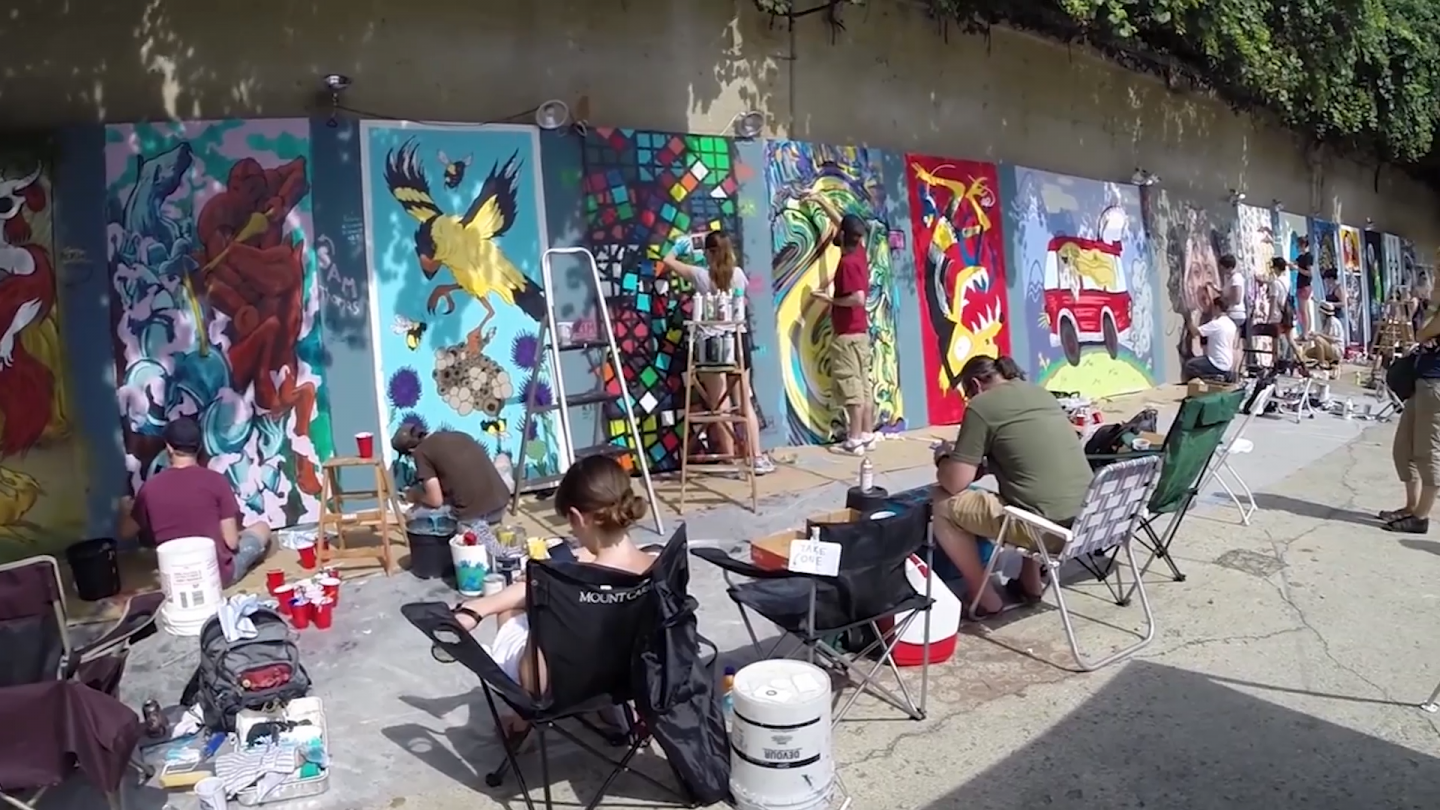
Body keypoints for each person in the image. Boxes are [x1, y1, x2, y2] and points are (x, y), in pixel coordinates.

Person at [444, 455, 657, 736]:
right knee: (537, 593)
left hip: (554, 688)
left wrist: (481, 607)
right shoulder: (659, 567)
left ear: (578, 517)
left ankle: (520, 722)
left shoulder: (564, 582)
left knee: (512, 611)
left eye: (572, 526)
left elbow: (540, 589)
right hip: (631, 677)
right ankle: (611, 709)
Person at [931, 355, 1094, 617]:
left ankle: (985, 599)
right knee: (1030, 491)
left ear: (976, 384)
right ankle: (1030, 584)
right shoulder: (1040, 394)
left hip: (1049, 533)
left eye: (967, 394)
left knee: (942, 502)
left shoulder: (982, 406)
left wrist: (943, 458)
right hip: (1087, 522)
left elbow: (955, 483)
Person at [662, 230, 775, 475]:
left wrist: (681, 247)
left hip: (711, 346)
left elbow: (668, 261)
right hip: (737, 341)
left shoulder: (700, 275)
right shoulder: (739, 275)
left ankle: (729, 459)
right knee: (744, 402)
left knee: (720, 406)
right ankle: (756, 457)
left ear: (708, 253)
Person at [117, 417, 273, 587]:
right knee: (261, 528)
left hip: (177, 580)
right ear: (199, 447)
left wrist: (126, 510)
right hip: (216, 578)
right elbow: (232, 542)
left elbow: (126, 532)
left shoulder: (150, 488)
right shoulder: (216, 481)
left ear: (169, 447)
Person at [808, 206, 875, 454]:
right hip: (861, 334)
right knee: (863, 384)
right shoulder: (860, 252)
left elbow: (858, 298)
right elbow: (844, 223)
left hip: (847, 335)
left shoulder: (847, 263)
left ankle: (854, 440)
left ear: (844, 235)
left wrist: (829, 299)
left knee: (850, 386)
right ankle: (867, 435)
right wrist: (820, 201)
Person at [1385, 290, 1440, 534]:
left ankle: (1421, 516)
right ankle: (1411, 506)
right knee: (1403, 449)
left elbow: (1422, 332)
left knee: (1428, 453)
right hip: (1422, 382)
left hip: (1435, 385)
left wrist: (1434, 303)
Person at [391, 424, 510, 530]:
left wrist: (415, 496)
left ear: (411, 450)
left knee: (413, 514)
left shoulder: (421, 452)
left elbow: (435, 500)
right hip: (501, 506)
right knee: (501, 461)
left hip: (473, 518)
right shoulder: (460, 435)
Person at [1182, 291, 1238, 382]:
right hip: (1227, 363)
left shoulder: (1217, 324)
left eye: (1213, 307)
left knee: (1189, 365)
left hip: (1216, 363)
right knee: (1198, 361)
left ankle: (1211, 378)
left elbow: (1195, 332)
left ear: (1217, 307)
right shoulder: (1232, 324)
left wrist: (1188, 318)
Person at [1220, 253, 1247, 341]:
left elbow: (1237, 299)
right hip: (1233, 313)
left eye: (1223, 268)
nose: (1221, 270)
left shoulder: (1236, 279)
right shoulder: (1231, 278)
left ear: (1229, 268)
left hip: (1235, 314)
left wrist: (1225, 301)